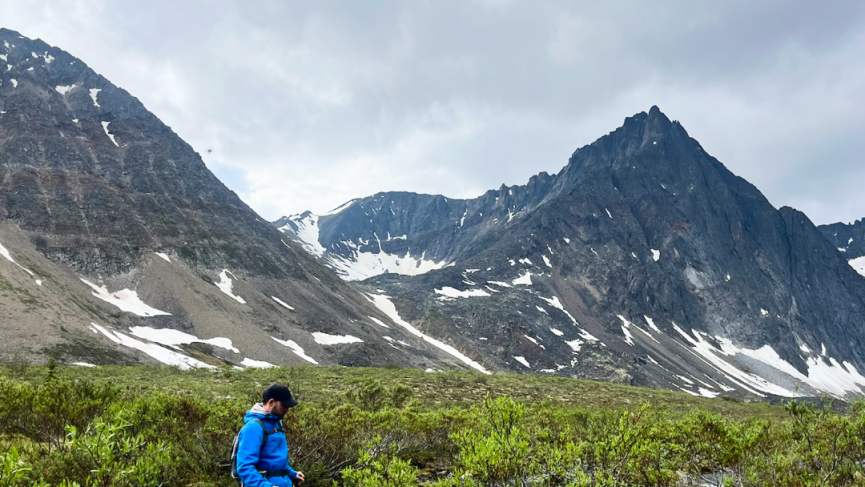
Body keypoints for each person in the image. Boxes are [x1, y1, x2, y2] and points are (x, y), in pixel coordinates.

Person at [235, 383, 305, 487]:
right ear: (271, 402)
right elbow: (245, 467)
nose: (287, 410)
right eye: (284, 405)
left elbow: (275, 461)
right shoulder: (253, 428)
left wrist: (291, 473)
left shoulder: (277, 423)